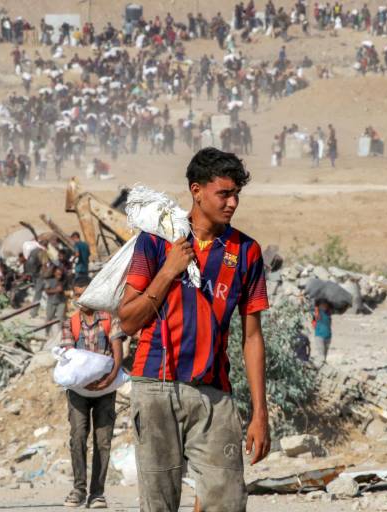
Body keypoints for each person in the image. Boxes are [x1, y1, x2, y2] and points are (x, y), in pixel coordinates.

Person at [117, 147, 271, 511]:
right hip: (155, 387)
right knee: (159, 504)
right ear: (196, 190)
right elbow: (127, 319)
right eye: (224, 193)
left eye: (236, 194)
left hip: (214, 394)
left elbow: (252, 337)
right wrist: (169, 270)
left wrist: (260, 414)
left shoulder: (246, 252)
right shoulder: (155, 241)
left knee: (228, 499)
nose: (232, 202)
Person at [61, 276, 125, 509]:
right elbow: (69, 357)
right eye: (78, 295)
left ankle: (97, 493)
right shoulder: (71, 323)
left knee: (103, 441)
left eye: (85, 294)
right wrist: (82, 382)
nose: (82, 299)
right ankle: (79, 489)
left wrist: (110, 376)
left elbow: (118, 351)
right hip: (79, 391)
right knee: (78, 437)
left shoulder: (109, 319)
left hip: (106, 390)